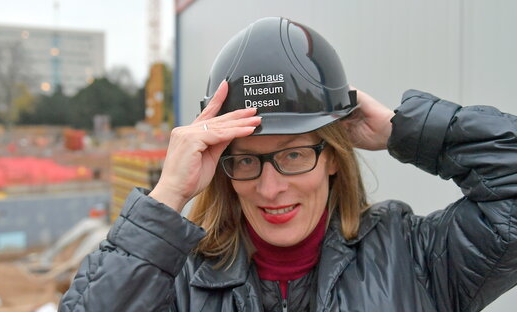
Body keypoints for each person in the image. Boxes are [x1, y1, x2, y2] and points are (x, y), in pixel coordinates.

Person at [59, 17, 517, 312]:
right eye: (245, 161)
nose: (271, 188)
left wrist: (405, 130)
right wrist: (166, 199)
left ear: (333, 158)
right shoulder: (176, 283)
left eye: (294, 154)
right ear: (223, 168)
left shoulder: (416, 259)